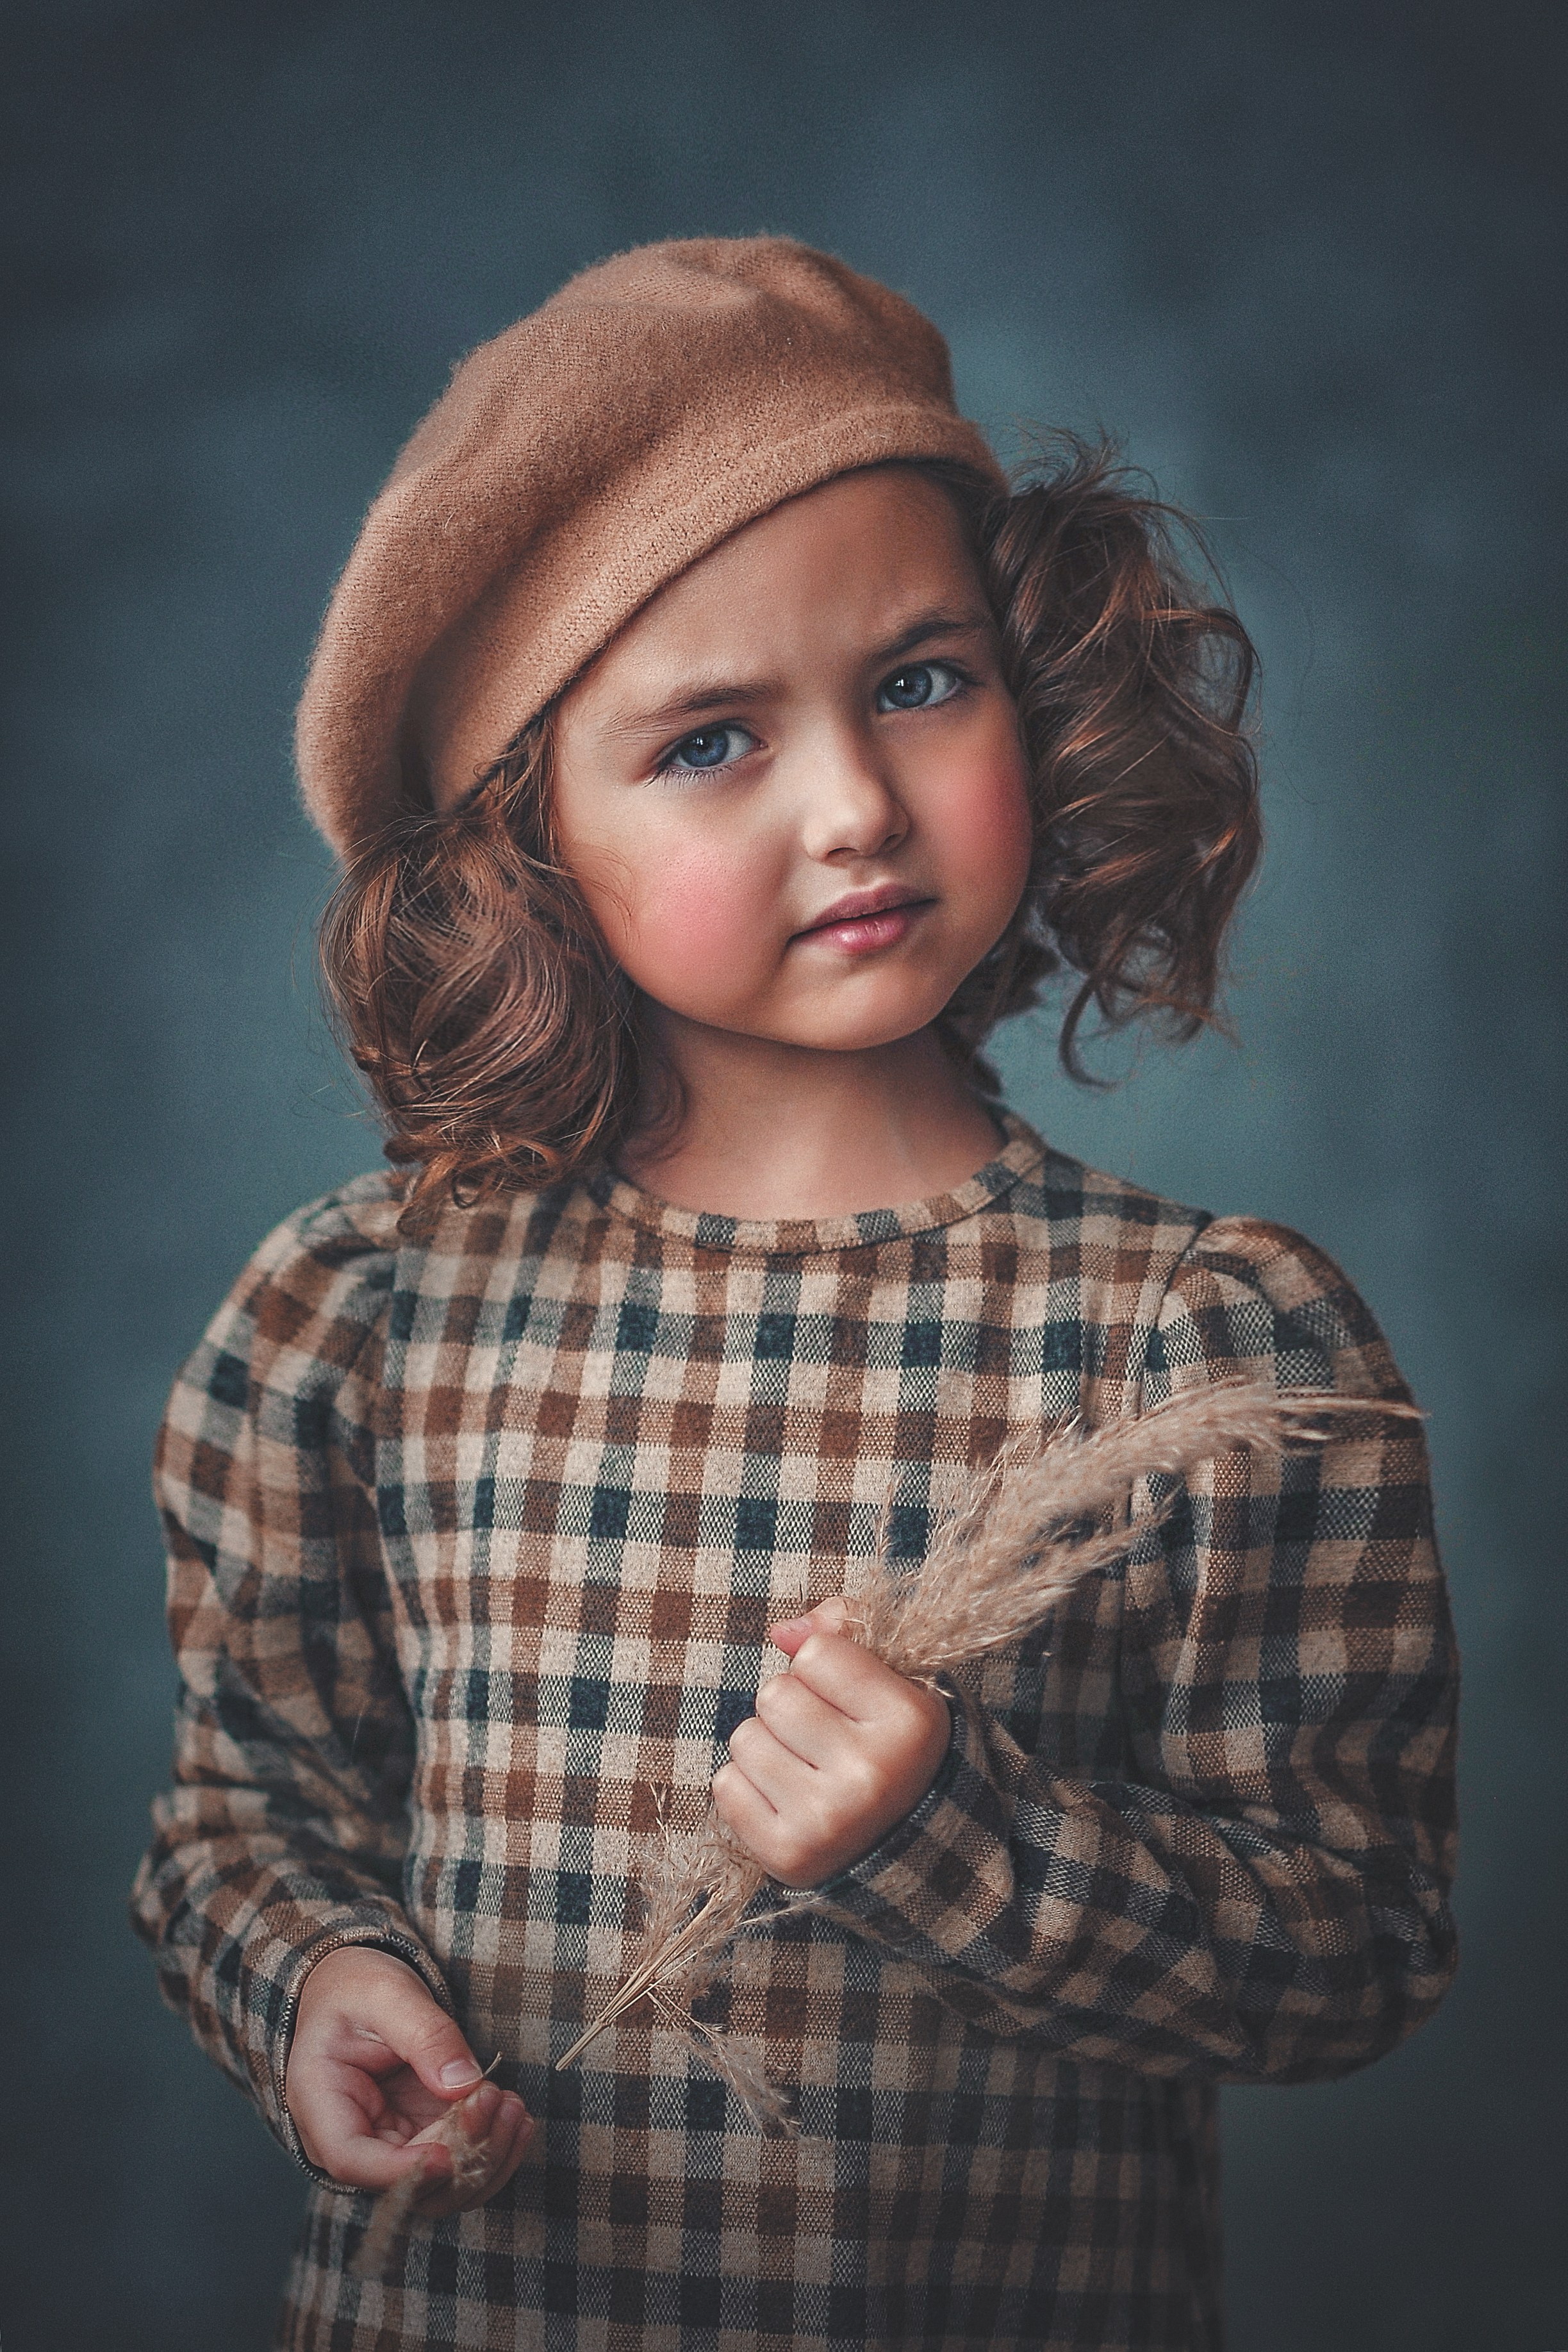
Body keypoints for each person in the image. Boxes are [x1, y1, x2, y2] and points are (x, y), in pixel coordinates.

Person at [131, 237, 1458, 2352]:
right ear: (527, 841)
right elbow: (247, 1806)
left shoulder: (1202, 1345)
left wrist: (957, 1836)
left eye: (920, 681)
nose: (855, 804)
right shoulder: (368, 1316)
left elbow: (1352, 1946)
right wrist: (311, 1980)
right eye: (714, 742)